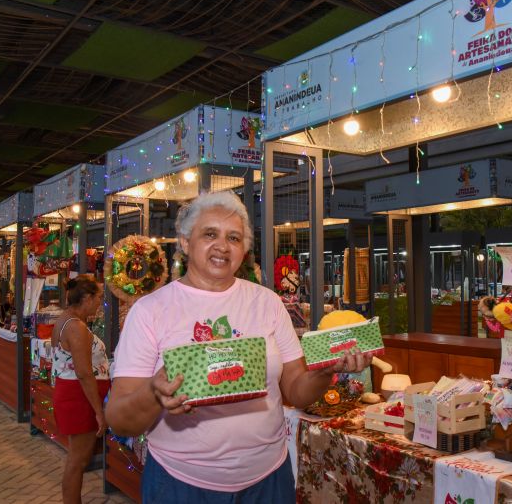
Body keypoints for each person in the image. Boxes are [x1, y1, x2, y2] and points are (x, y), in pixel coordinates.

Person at [106, 191, 371, 503]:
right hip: (181, 484)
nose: (222, 245)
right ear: (185, 242)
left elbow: (296, 391)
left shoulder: (267, 303)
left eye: (234, 237)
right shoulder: (151, 310)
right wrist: (154, 392)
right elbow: (119, 418)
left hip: (268, 479)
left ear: (243, 250)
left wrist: (325, 371)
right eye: (209, 234)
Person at [51, 275, 109, 504]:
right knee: (78, 461)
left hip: (74, 395)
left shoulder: (67, 320)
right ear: (87, 298)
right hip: (80, 399)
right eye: (98, 298)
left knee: (77, 459)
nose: (99, 303)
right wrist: (98, 411)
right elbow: (84, 373)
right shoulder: (76, 327)